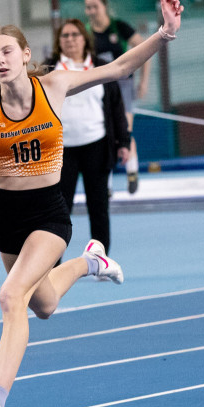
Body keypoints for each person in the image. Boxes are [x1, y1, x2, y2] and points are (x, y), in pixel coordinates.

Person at [0, 0, 183, 407]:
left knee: (12, 298)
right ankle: (91, 263)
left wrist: (164, 34)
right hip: (5, 214)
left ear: (26, 55)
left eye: (7, 51)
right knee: (43, 304)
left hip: (49, 212)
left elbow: (119, 69)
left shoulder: (55, 84)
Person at [44, 19, 130, 253]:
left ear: (85, 39)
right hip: (61, 151)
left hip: (97, 146)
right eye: (65, 36)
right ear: (58, 41)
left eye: (75, 35)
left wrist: (123, 142)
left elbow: (116, 108)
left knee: (99, 207)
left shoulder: (101, 67)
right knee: (59, 210)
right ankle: (51, 265)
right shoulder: (47, 70)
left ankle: (101, 259)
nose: (70, 40)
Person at [83, 0, 149, 194]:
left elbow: (144, 50)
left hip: (123, 86)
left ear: (105, 6)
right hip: (99, 88)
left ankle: (132, 172)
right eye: (88, 8)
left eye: (95, 6)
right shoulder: (85, 33)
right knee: (103, 133)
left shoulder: (119, 28)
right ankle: (107, 184)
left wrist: (143, 82)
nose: (92, 11)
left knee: (124, 130)